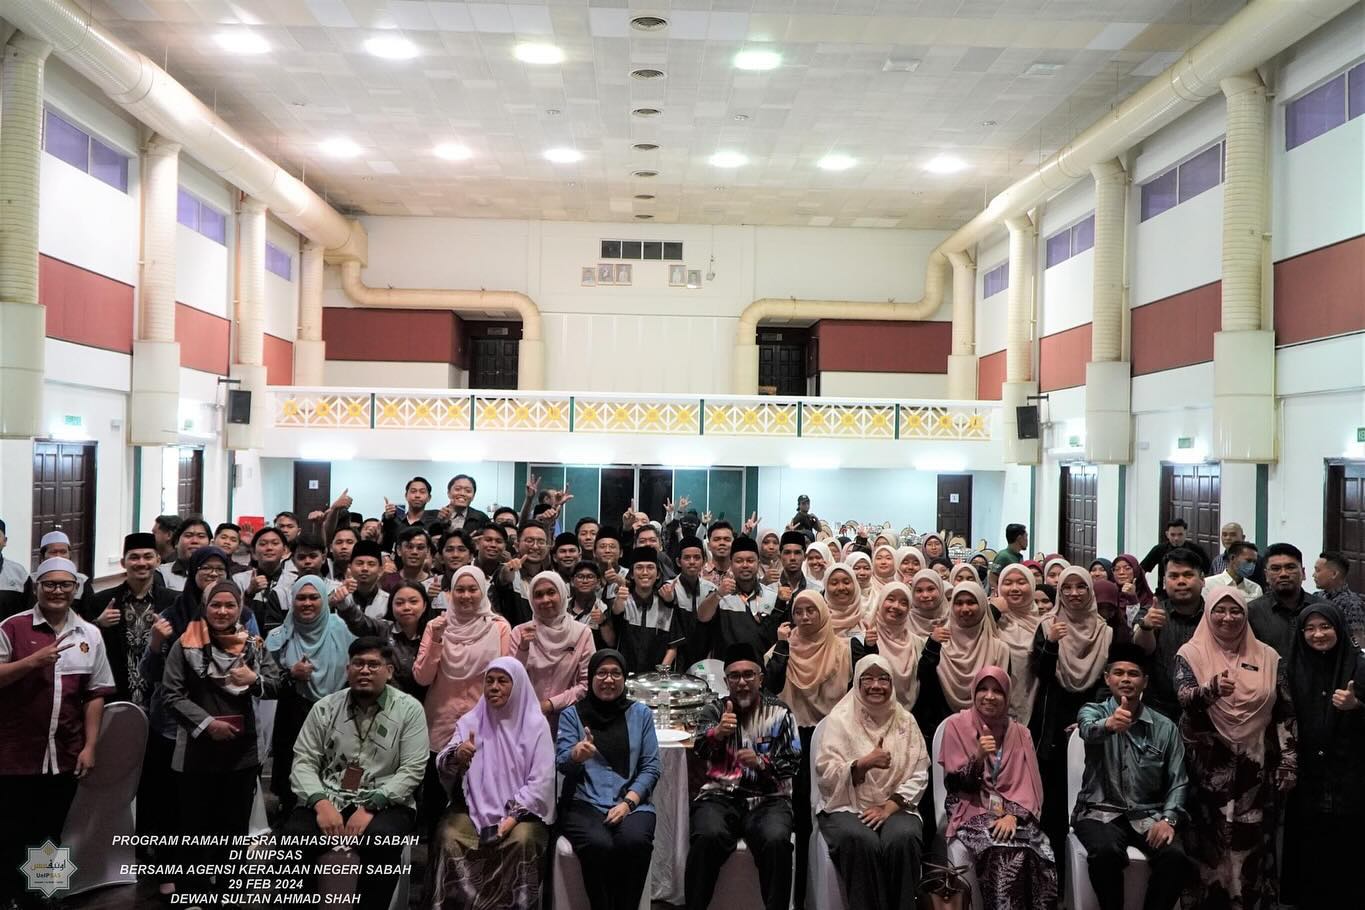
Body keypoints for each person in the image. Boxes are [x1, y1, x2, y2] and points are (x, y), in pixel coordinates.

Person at [0, 557, 114, 910]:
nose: (57, 591)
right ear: (37, 587)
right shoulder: (12, 627)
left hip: (65, 750)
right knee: (12, 828)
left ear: (76, 589)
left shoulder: (89, 634)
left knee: (52, 828)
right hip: (14, 751)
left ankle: (44, 894)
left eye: (65, 584)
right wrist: (31, 662)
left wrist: (90, 746)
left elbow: (95, 694)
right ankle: (9, 895)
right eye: (50, 584)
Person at [283, 637, 428, 910]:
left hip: (386, 799)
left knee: (382, 841)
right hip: (330, 793)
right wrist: (320, 803)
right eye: (358, 664)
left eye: (373, 665)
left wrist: (372, 805)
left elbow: (413, 769)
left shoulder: (409, 710)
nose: (365, 671)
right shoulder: (325, 707)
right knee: (293, 838)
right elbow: (304, 761)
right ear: (347, 669)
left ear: (389, 671)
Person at [1174, 586, 1295, 910]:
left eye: (1236, 610)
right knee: (1208, 844)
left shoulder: (1269, 657)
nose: (1228, 617)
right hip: (1206, 768)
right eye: (1220, 610)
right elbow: (1184, 698)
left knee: (1251, 844)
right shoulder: (1190, 653)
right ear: (1208, 613)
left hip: (1256, 769)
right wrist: (1210, 690)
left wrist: (1289, 760)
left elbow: (1285, 713)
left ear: (1246, 614)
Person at [160, 581, 280, 894]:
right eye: (216, 604)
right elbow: (171, 695)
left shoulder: (253, 645)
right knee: (194, 825)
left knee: (234, 826)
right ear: (205, 606)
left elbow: (276, 684)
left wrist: (254, 680)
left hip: (242, 751)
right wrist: (208, 723)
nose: (223, 611)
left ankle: (230, 890)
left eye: (230, 605)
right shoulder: (184, 644)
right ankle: (193, 891)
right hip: (196, 751)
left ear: (240, 608)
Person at [1072, 643, 1192, 910]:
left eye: (1133, 674)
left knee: (1175, 857)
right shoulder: (1092, 711)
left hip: (1146, 814)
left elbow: (1178, 781)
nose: (1126, 679)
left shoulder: (1165, 728)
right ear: (1107, 678)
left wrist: (1168, 819)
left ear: (1145, 681)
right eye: (1119, 673)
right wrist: (1109, 725)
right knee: (1106, 853)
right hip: (1099, 811)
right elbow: (1087, 729)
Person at [432, 657, 555, 910]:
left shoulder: (536, 725)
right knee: (449, 836)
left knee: (523, 841)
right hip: (472, 809)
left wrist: (510, 819)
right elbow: (443, 761)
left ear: (517, 685)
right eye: (489, 681)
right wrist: (458, 755)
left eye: (502, 681)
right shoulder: (471, 721)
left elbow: (542, 780)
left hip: (522, 815)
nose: (494, 687)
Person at [685, 643, 801, 910]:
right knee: (706, 836)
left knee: (776, 841)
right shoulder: (714, 710)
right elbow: (700, 750)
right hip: (719, 796)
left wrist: (762, 763)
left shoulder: (781, 713)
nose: (742, 682)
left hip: (769, 798)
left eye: (748, 675)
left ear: (760, 678)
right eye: (734, 676)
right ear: (726, 681)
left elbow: (793, 762)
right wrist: (718, 734)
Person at [763, 590, 858, 909]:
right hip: (791, 740)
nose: (804, 617)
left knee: (828, 812)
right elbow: (771, 687)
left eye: (811, 610)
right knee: (798, 817)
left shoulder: (844, 649)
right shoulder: (782, 648)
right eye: (798, 611)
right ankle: (799, 894)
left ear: (823, 612)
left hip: (833, 739)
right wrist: (782, 647)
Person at [814, 655, 930, 910]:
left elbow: (920, 773)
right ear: (857, 682)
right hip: (846, 804)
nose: (876, 685)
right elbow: (826, 772)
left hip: (895, 805)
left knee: (903, 838)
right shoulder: (839, 720)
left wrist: (889, 807)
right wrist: (862, 764)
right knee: (861, 840)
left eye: (883, 679)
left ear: (892, 683)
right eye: (868, 678)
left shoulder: (905, 720)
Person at [939, 666, 1057, 910]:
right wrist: (979, 756)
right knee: (1001, 850)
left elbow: (1030, 785)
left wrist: (1013, 816)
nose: (990, 696)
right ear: (974, 692)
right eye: (983, 689)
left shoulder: (1021, 734)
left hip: (1013, 811)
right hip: (971, 807)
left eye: (998, 691)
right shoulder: (956, 726)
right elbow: (955, 785)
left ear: (1007, 696)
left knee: (1041, 850)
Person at [555, 650, 662, 910]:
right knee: (598, 844)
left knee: (634, 841)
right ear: (591, 677)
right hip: (583, 802)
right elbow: (562, 763)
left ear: (624, 679)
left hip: (631, 802)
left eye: (616, 673)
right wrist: (576, 755)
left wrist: (628, 803)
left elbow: (651, 766)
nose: (609, 679)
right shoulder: (572, 715)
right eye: (601, 673)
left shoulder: (641, 714)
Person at [1281, 603, 1365, 907]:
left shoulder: (1359, 667)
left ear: (1339, 629)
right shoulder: (1292, 668)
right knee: (1309, 851)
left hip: (1351, 776)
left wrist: (1357, 707)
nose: (1318, 634)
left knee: (1348, 852)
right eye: (1310, 628)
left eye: (1326, 627)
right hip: (1307, 778)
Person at [1029, 567, 1113, 861]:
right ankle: (1054, 869)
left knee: (1086, 790)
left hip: (1091, 721)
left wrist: (1086, 719)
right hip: (1052, 720)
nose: (1074, 593)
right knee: (1053, 796)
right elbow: (1039, 673)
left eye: (1081, 587)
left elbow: (1108, 682)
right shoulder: (1047, 626)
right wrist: (1052, 643)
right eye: (1067, 587)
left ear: (1090, 590)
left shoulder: (1105, 631)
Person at [266, 574, 357, 815]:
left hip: (339, 710)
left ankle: (342, 811)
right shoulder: (278, 638)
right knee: (294, 768)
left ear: (324, 600)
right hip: (294, 713)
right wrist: (291, 674)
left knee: (342, 766)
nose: (307, 603)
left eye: (314, 597)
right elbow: (266, 681)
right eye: (301, 598)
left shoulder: (343, 629)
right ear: (293, 601)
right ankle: (291, 814)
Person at [89, 532, 177, 703]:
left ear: (158, 560)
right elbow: (85, 645)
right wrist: (99, 624)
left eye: (148, 557)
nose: (142, 563)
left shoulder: (173, 601)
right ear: (123, 563)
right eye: (134, 557)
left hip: (160, 695)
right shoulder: (101, 601)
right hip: (117, 693)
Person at [512, 571, 595, 726]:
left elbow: (586, 684)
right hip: (525, 718)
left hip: (568, 720)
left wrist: (550, 704)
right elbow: (511, 680)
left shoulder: (582, 633)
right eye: (538, 595)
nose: (545, 600)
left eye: (551, 592)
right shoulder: (520, 633)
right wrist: (523, 649)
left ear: (562, 594)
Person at [1132, 548, 1206, 719]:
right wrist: (1146, 627)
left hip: (1205, 708)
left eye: (1188, 575)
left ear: (1202, 579)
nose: (1181, 581)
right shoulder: (1151, 611)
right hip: (1158, 709)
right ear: (1164, 582)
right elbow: (1140, 650)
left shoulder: (1215, 615)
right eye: (1174, 576)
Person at [332, 578, 435, 698]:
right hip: (387, 701)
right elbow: (360, 622)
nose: (406, 607)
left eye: (413, 602)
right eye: (399, 603)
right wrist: (345, 605)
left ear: (424, 605)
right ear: (391, 606)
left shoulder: (434, 634)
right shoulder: (383, 629)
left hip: (426, 701)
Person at [696, 535, 783, 659]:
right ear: (731, 564)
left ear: (758, 564)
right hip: (727, 667)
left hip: (762, 667)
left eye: (750, 560)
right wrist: (718, 594)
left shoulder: (772, 596)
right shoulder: (720, 595)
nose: (745, 565)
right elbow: (702, 617)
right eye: (739, 561)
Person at [611, 547, 684, 673]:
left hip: (656, 677)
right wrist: (619, 600)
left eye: (650, 567)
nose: (645, 572)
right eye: (639, 568)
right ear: (632, 574)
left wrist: (661, 674)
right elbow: (616, 613)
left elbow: (673, 646)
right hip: (625, 675)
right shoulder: (624, 601)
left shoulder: (665, 605)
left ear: (658, 574)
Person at [864, 580, 931, 711]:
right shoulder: (866, 639)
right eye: (890, 599)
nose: (896, 606)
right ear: (880, 602)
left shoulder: (917, 643)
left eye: (904, 603)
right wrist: (869, 647)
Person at [1247, 542, 1321, 659]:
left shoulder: (1323, 609)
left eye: (1290, 567)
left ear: (1303, 573)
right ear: (1266, 575)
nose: (1283, 574)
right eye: (1275, 569)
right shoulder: (1251, 612)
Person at [993, 563, 1043, 724]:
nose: (1014, 588)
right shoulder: (991, 620)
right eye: (1008, 583)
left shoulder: (1043, 624)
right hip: (992, 702)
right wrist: (993, 612)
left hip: (1033, 704)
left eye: (1021, 582)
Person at [234, 526, 295, 635]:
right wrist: (249, 594)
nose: (269, 548)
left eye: (275, 543)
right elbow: (233, 616)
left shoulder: (294, 581)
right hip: (247, 638)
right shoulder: (239, 579)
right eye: (263, 544)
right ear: (253, 553)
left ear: (285, 550)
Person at [22, 530, 95, 618]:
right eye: (53, 552)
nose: (58, 556)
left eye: (63, 552)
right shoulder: (31, 580)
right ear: (42, 556)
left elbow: (89, 615)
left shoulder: (82, 581)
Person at [1140, 519, 1211, 595]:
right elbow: (1141, 570)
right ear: (1167, 534)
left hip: (1190, 593)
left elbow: (1209, 572)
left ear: (1186, 533)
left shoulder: (1196, 550)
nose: (1176, 538)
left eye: (1180, 534)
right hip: (1164, 594)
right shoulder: (1159, 549)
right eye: (1173, 535)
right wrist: (1145, 593)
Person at [1313, 551, 1364, 647]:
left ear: (1334, 574)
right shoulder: (1317, 596)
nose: (1313, 575)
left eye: (1317, 570)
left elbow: (1358, 640)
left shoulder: (1352, 604)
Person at [158, 518, 212, 592]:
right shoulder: (162, 573)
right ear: (176, 542)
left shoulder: (216, 574)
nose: (195, 541)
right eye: (188, 535)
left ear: (210, 544)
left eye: (201, 536)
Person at [820, 563, 865, 637]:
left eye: (846, 582)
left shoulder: (867, 614)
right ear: (826, 587)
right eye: (834, 583)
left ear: (855, 584)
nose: (841, 588)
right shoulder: (819, 618)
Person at [1113, 554, 1154, 625]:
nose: (1121, 572)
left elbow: (1137, 626)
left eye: (1127, 568)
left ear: (1136, 571)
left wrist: (1132, 598)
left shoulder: (1148, 599)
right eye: (1117, 569)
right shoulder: (1110, 594)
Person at [988, 523, 1028, 591]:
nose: (1027, 540)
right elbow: (992, 580)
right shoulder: (1003, 556)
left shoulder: (1019, 556)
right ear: (1019, 538)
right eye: (1026, 537)